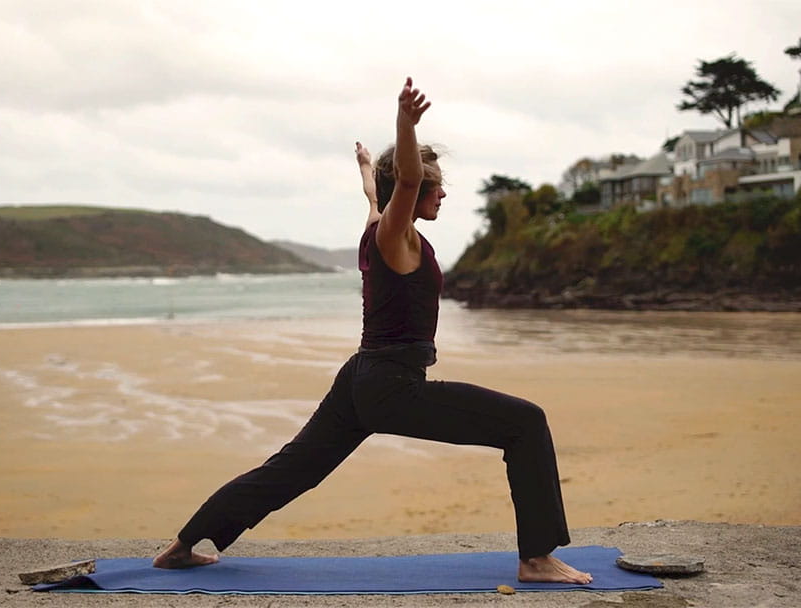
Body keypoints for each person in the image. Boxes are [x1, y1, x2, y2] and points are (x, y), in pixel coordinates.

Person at [153, 77, 593, 585]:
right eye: (436, 185)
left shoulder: (376, 223)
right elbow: (403, 182)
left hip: (360, 379)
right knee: (525, 423)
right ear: (412, 191)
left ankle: (182, 546)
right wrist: (404, 125)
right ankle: (536, 559)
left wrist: (367, 167)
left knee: (292, 470)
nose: (443, 192)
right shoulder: (395, 235)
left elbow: (378, 190)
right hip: (393, 386)